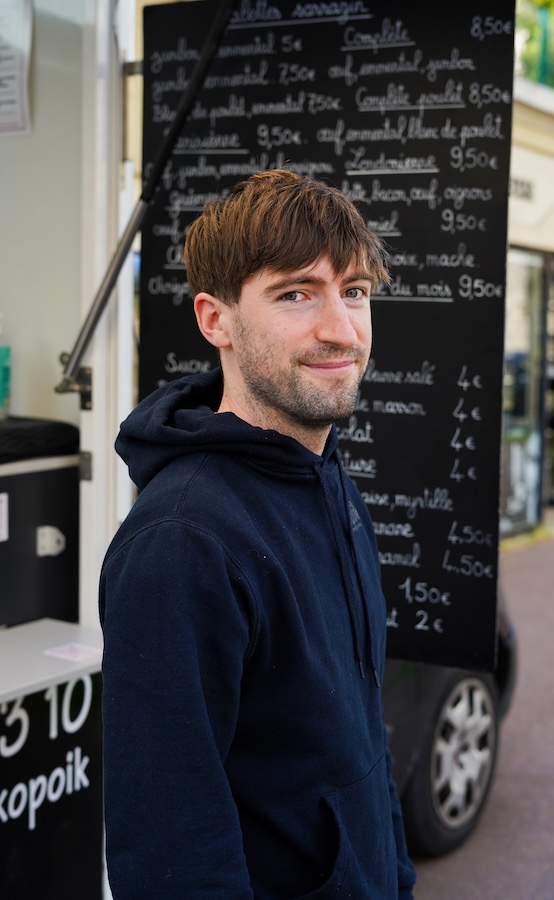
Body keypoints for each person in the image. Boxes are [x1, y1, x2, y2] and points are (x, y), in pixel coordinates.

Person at [100, 169, 416, 899]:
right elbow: (171, 847)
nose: (341, 327)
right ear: (216, 321)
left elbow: (360, 740)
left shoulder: (329, 479)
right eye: (296, 293)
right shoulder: (183, 541)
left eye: (356, 291)